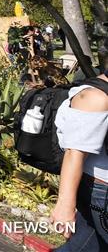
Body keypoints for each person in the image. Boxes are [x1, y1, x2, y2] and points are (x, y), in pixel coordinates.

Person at [51, 71, 108, 250]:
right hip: (101, 191)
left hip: (98, 191)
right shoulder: (95, 97)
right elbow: (74, 153)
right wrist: (64, 207)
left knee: (83, 246)